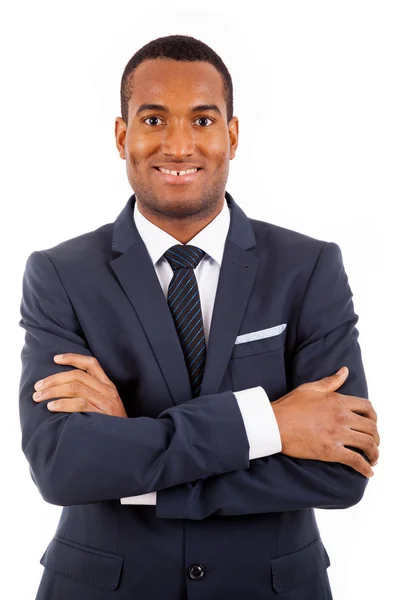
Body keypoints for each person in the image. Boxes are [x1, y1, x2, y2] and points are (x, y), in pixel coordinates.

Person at [18, 34, 380, 600]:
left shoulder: (309, 267)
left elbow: (341, 467)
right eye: (155, 118)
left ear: (232, 136)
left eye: (204, 121)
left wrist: (132, 457)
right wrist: (271, 427)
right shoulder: (61, 274)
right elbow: (62, 465)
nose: (180, 145)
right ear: (123, 136)